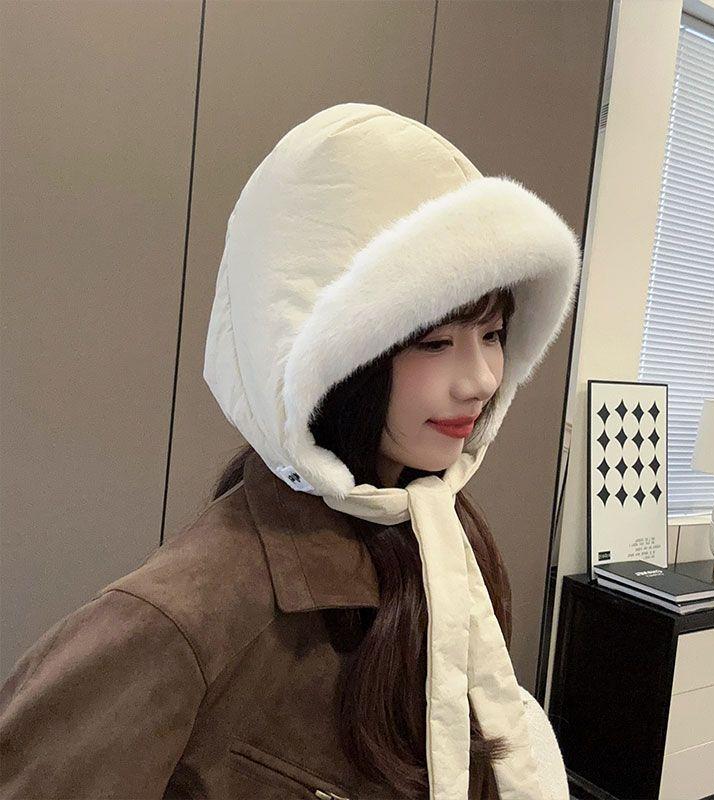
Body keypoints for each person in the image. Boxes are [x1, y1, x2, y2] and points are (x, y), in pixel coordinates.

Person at [0, 102, 582, 799]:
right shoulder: (184, 620)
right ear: (331, 359)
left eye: (492, 335)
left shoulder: (445, 533)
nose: (482, 379)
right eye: (435, 342)